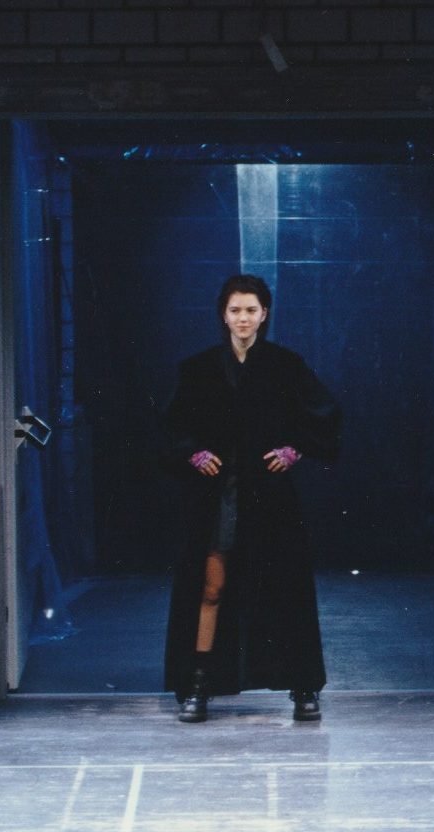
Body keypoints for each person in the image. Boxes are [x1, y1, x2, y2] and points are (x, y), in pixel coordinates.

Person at [161, 274, 341, 723]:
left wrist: (294, 449)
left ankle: (303, 687)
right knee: (211, 587)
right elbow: (171, 426)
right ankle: (198, 683)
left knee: (286, 587)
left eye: (251, 310)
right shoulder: (198, 369)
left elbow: (325, 414)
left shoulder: (285, 365)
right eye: (235, 310)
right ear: (223, 315)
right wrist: (193, 452)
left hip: (269, 495)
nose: (243, 318)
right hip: (219, 496)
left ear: (264, 315)